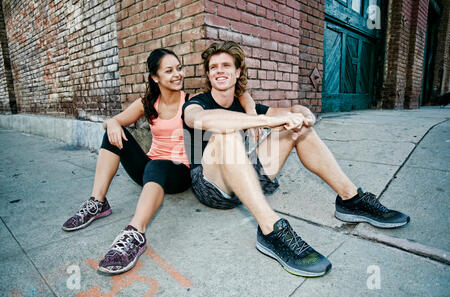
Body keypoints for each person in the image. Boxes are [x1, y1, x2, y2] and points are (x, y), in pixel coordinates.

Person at [182, 41, 410, 277]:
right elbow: (200, 120)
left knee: (299, 130)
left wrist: (303, 113)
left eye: (226, 65)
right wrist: (263, 121)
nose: (219, 70)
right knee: (225, 134)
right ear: (208, 74)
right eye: (213, 67)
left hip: (246, 181)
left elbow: (291, 112)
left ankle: (350, 199)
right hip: (212, 187)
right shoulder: (197, 104)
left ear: (238, 71)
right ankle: (270, 230)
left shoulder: (246, 104)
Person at [61, 48, 259, 275]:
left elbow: (239, 94)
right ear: (155, 77)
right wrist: (113, 123)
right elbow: (113, 121)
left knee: (156, 165)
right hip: (150, 169)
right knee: (113, 137)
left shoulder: (192, 101)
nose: (178, 75)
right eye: (169, 70)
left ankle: (135, 232)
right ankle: (97, 202)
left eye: (179, 68)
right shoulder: (147, 102)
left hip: (179, 172)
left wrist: (252, 110)